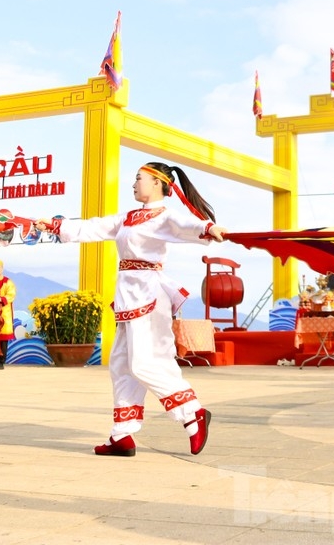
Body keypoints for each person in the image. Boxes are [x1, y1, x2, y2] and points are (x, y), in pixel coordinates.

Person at [36, 161, 227, 457]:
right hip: (128, 295)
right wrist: (55, 225)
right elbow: (92, 226)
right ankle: (121, 435)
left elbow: (185, 225)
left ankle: (192, 414)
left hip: (149, 295)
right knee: (122, 364)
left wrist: (209, 228)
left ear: (157, 183)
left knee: (145, 363)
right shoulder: (127, 218)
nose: (134, 184)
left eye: (139, 178)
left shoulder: (164, 216)